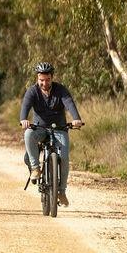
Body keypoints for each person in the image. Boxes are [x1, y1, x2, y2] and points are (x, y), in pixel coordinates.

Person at [20, 62, 84, 204]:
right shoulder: (32, 91)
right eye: (41, 80)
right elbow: (25, 106)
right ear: (37, 79)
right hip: (40, 128)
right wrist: (23, 119)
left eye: (47, 79)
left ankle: (61, 191)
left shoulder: (60, 90)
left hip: (59, 128)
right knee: (28, 134)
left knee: (65, 157)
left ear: (52, 78)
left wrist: (76, 119)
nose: (44, 83)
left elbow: (69, 103)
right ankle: (35, 168)